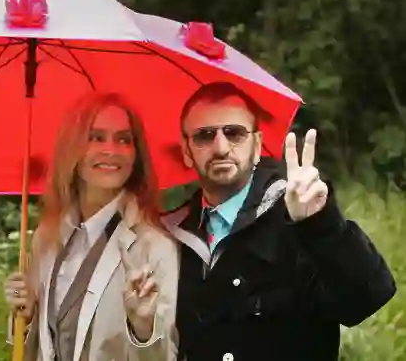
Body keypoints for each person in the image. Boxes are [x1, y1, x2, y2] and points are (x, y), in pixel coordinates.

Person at [163, 82, 396, 361]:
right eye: (204, 136)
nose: (221, 147)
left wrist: (321, 224)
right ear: (187, 152)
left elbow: (365, 300)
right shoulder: (171, 236)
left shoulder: (295, 216)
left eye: (234, 133)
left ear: (258, 144)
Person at [3, 92, 178, 361]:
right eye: (96, 137)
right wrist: (24, 319)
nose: (111, 150)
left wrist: (143, 328)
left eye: (124, 140)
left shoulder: (154, 249)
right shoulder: (46, 238)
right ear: (72, 148)